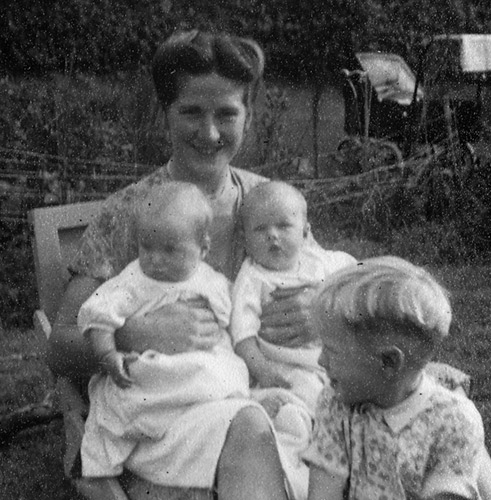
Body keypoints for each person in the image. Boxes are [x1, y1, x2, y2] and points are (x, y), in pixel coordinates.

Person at [46, 29, 315, 500]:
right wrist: (132, 335)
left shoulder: (271, 206)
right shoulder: (130, 211)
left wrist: (319, 309)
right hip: (164, 418)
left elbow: (331, 287)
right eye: (191, 111)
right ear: (163, 115)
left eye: (227, 113)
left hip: (268, 395)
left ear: (248, 119)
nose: (209, 133)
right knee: (253, 429)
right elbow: (59, 346)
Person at [78, 181, 251, 486]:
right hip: (154, 374)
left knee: (221, 370)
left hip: (201, 373)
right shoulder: (134, 280)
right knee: (139, 392)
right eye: (147, 247)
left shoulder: (212, 280)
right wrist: (108, 353)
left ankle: (210, 415)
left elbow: (234, 320)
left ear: (203, 249)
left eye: (170, 250)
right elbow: (98, 316)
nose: (155, 259)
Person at [304, 256, 491, 500]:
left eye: (332, 351)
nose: (320, 361)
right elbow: (323, 492)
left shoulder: (454, 422)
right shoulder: (336, 402)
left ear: (389, 362)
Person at [230, 181, 357, 500]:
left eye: (284, 226)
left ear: (305, 232)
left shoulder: (321, 263)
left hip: (333, 362)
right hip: (287, 371)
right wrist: (265, 373)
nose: (273, 235)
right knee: (302, 415)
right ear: (245, 241)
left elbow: (357, 279)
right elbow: (243, 338)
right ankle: (305, 477)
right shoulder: (252, 278)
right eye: (260, 230)